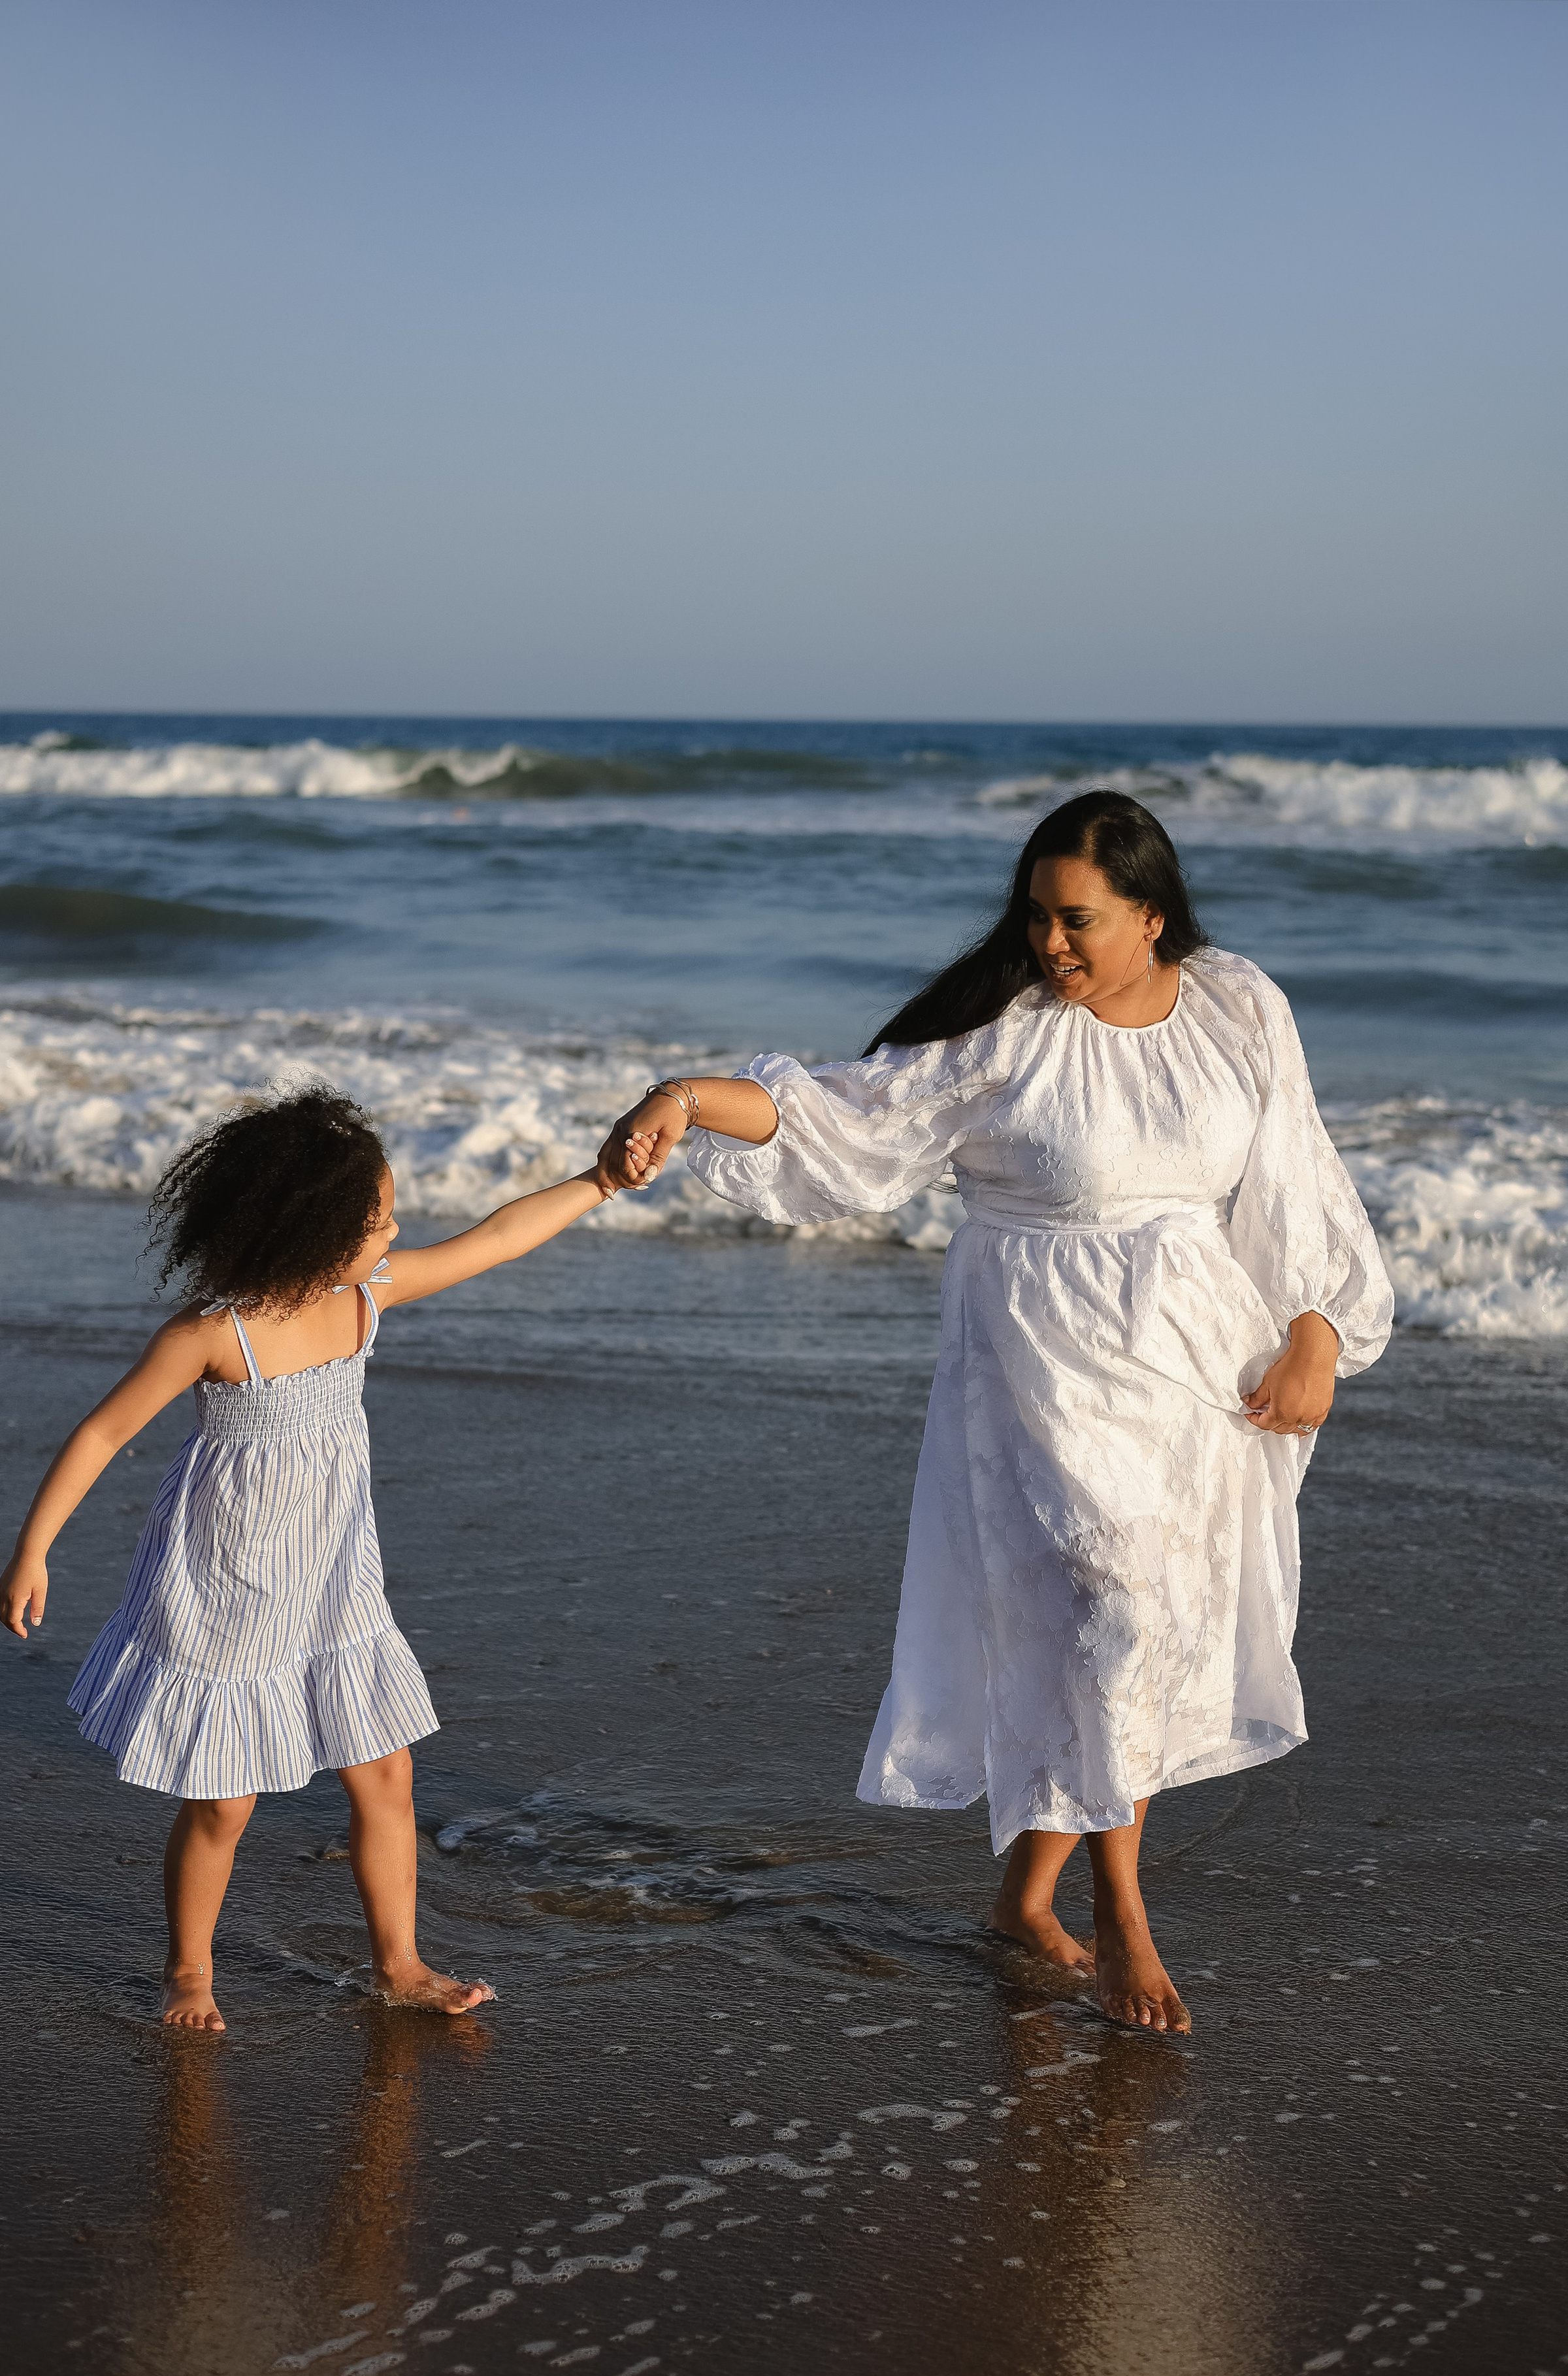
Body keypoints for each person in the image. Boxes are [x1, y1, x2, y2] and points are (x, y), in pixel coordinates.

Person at [596, 791, 1392, 2035]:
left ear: (1153, 916)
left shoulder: (1237, 1003)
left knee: (1143, 1631)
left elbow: (1299, 1180)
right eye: (1036, 917)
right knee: (1118, 1612)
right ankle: (1124, 1917)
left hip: (1196, 1364)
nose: (1050, 943)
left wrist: (1318, 1329)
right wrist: (687, 1096)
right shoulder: (1006, 1033)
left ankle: (1025, 1898)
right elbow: (842, 1114)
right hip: (1044, 1360)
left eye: (1078, 920)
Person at [0, 1084, 610, 2032]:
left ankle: (401, 1964)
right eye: (380, 1219)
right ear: (311, 1231)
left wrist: (599, 1181)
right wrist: (33, 1548)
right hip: (230, 1585)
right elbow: (103, 1433)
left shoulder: (365, 1294)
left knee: (388, 1774)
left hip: (335, 1578)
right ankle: (189, 1970)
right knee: (225, 1805)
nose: (396, 1232)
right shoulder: (214, 1332)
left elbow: (494, 1240)